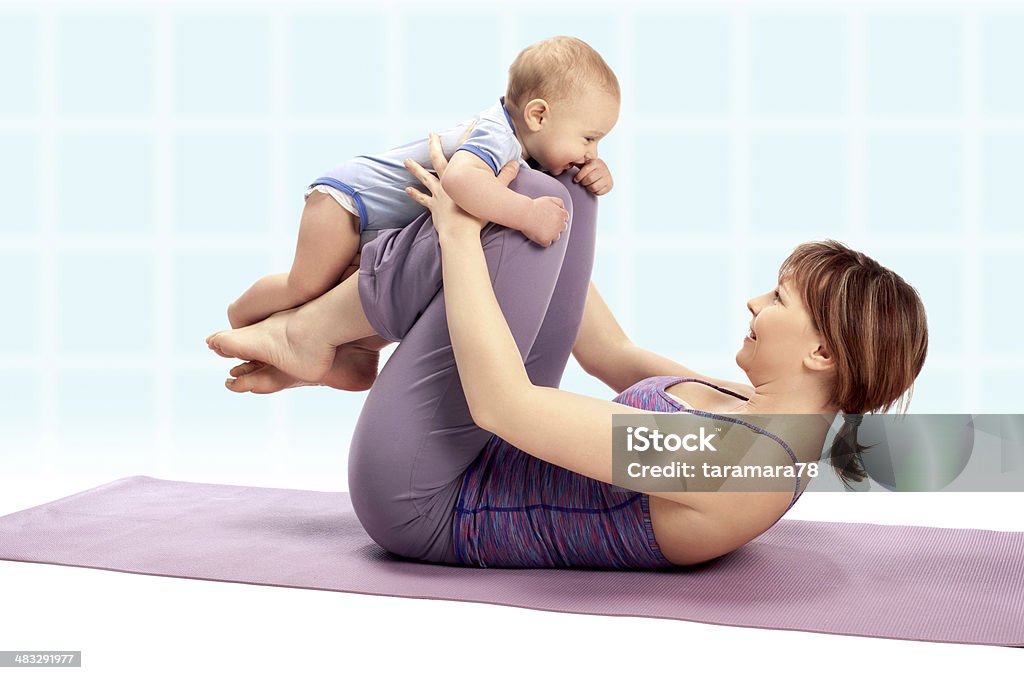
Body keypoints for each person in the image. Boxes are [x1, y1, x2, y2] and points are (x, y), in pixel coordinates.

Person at [206, 135, 929, 569]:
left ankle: (311, 332)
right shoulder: (757, 417)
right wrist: (566, 203)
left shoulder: (735, 463)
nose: (753, 303)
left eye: (777, 299)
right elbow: (608, 353)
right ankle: (338, 342)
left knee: (500, 222)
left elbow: (504, 406)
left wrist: (464, 235)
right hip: (474, 453)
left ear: (823, 352)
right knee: (552, 200)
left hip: (425, 500)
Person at [218, 36, 620, 392]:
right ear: (538, 115)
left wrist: (593, 172)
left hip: (382, 231)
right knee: (306, 285)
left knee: (366, 285)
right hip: (349, 203)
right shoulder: (497, 136)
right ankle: (245, 317)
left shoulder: (525, 150)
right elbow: (461, 183)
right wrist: (528, 214)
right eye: (589, 139)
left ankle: (350, 352)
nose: (591, 152)